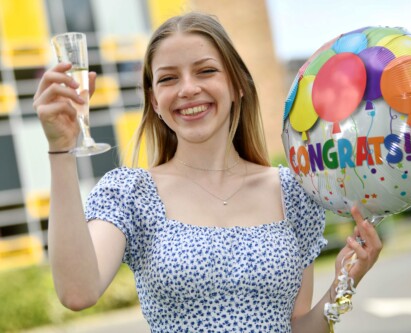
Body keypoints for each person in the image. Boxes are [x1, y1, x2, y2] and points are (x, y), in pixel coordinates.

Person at [33, 12, 382, 333]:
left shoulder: (294, 191)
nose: (187, 89)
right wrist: (61, 149)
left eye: (205, 71)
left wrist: (343, 284)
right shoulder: (130, 192)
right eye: (168, 78)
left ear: (237, 85)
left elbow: (296, 327)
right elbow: (78, 292)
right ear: (154, 101)